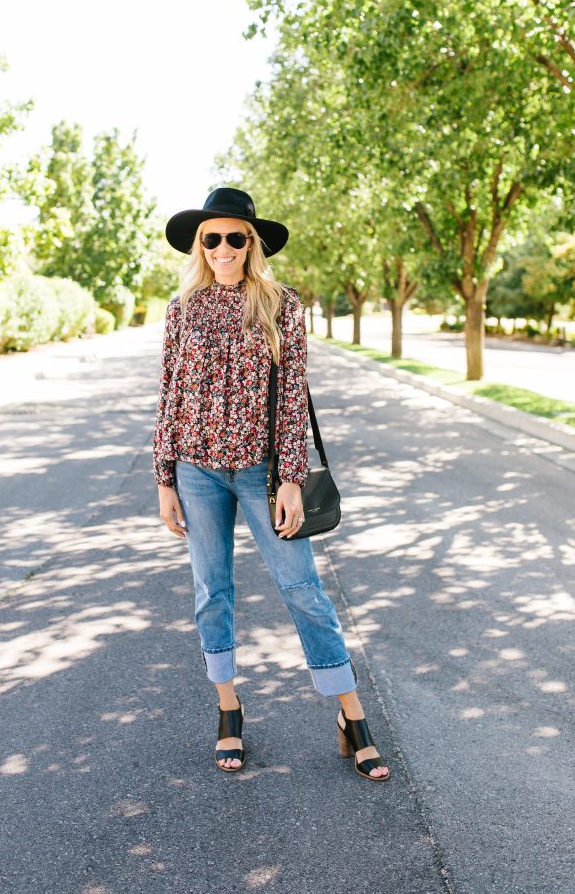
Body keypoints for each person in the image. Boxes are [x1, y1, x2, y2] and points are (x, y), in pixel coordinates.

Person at [152, 187, 390, 781]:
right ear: (199, 245)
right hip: (196, 467)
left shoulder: (281, 305)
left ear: (252, 244)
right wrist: (165, 477)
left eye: (237, 237)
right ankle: (228, 711)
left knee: (302, 588)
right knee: (212, 591)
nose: (224, 248)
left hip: (260, 472)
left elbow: (291, 398)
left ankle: (351, 716)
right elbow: (169, 395)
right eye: (213, 238)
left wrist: (288, 477)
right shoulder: (181, 309)